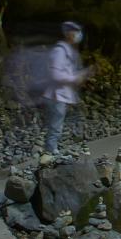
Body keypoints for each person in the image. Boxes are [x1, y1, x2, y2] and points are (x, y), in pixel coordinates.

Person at [43, 21, 92, 154]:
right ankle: (50, 152)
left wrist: (83, 74)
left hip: (63, 95)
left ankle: (52, 150)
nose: (78, 35)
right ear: (69, 34)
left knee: (58, 125)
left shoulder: (67, 51)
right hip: (56, 95)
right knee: (55, 126)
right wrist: (75, 78)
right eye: (75, 32)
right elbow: (56, 74)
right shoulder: (60, 51)